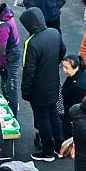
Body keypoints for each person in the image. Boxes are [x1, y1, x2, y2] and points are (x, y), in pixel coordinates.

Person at [20, 9, 66, 162]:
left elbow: (29, 71)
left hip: (38, 89)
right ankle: (60, 145)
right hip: (54, 82)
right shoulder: (54, 33)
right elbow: (62, 52)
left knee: (43, 120)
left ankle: (47, 151)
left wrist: (25, 91)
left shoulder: (31, 42)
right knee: (54, 114)